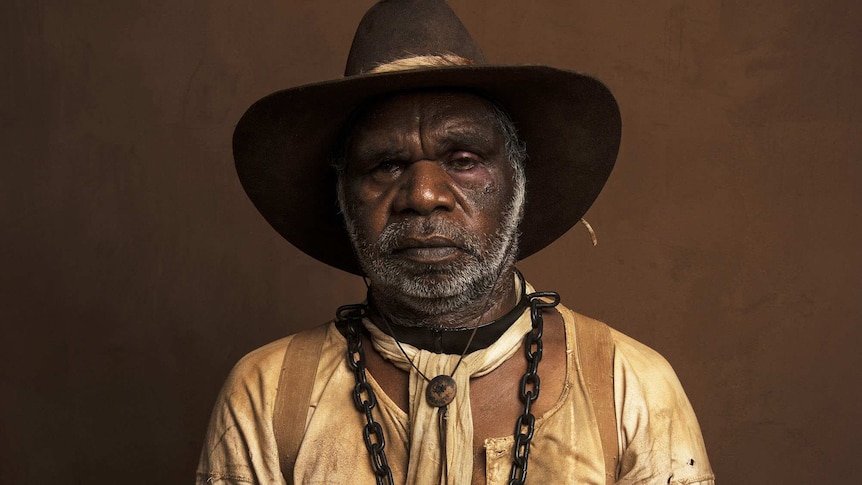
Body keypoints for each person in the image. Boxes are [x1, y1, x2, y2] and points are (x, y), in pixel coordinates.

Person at [197, 1, 715, 484]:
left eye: (463, 160)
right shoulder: (266, 395)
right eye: (386, 165)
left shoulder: (632, 389)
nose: (422, 195)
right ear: (343, 198)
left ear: (517, 185)